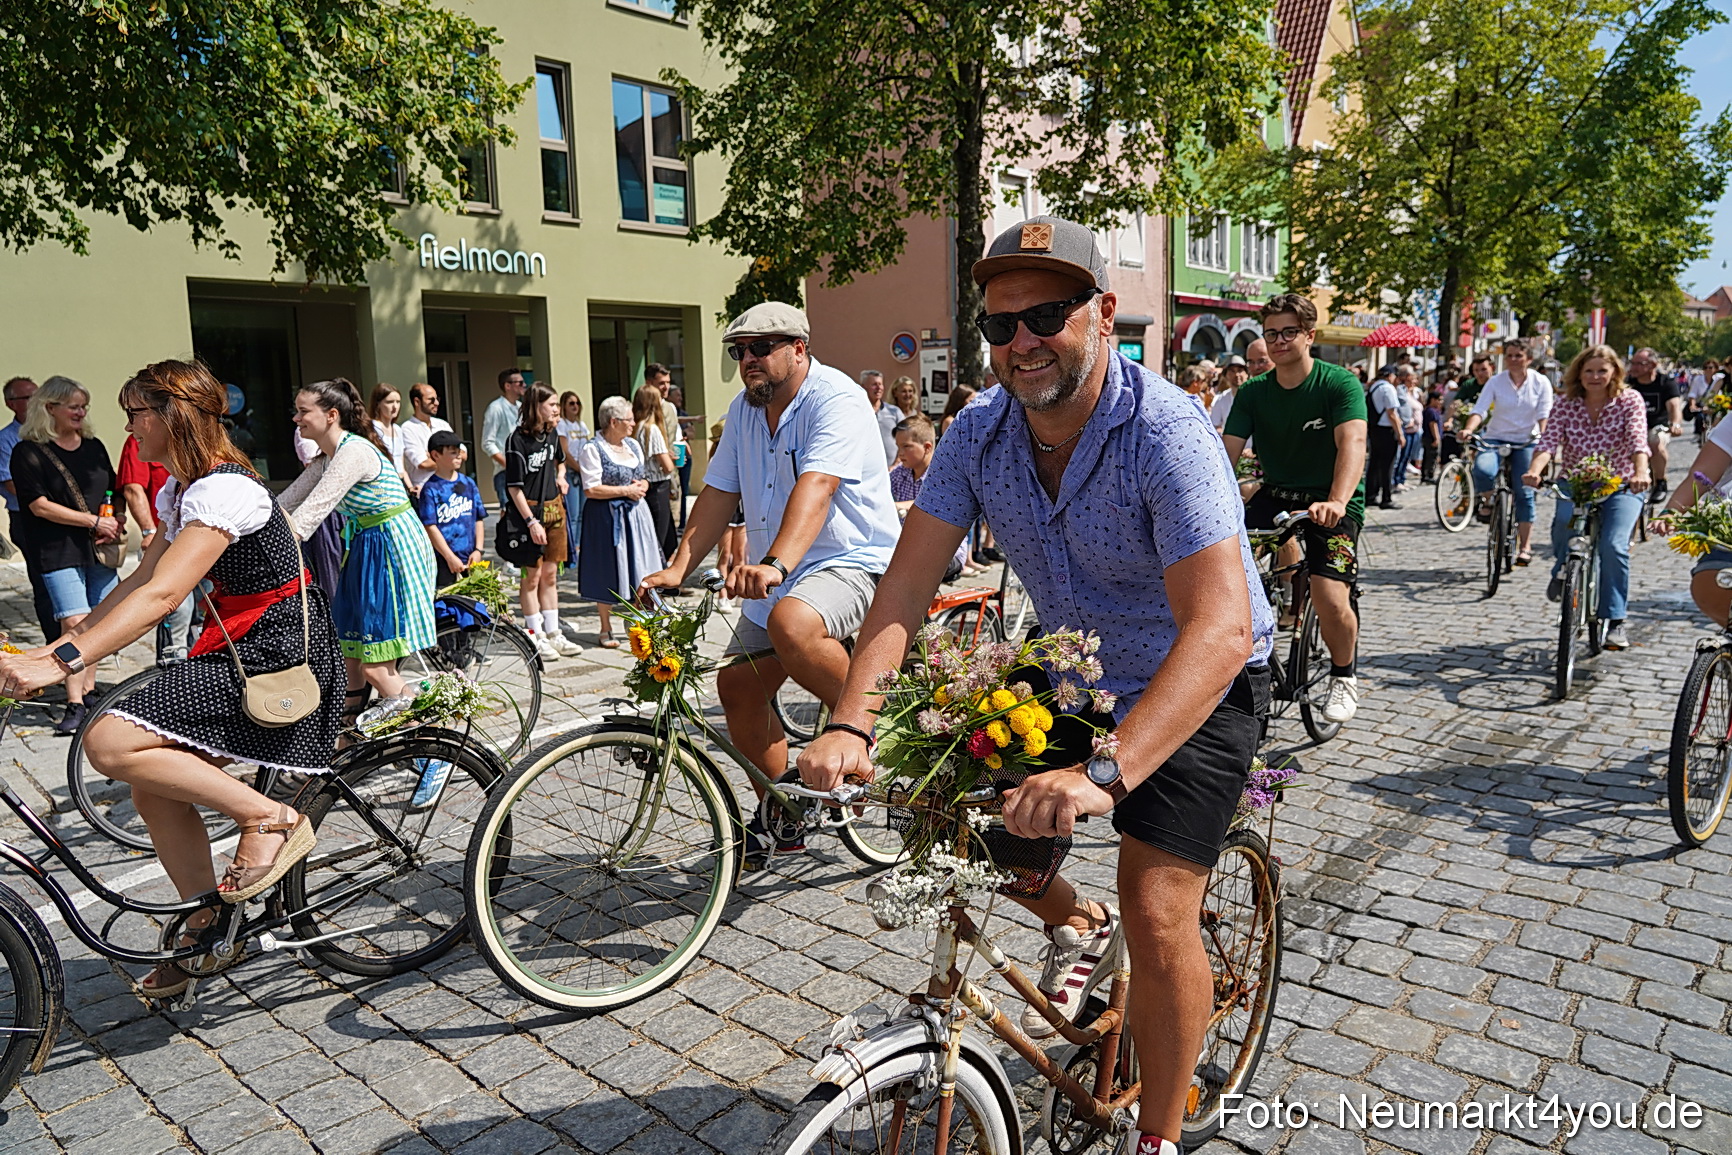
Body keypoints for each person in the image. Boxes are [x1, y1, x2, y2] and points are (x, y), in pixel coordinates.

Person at [799, 216, 1272, 1155]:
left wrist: (1103, 773)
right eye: (1000, 324)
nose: (1022, 342)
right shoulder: (978, 433)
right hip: (1071, 670)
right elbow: (905, 586)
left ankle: (1159, 1136)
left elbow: (1217, 632)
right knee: (943, 804)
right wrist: (851, 721)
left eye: (1046, 316)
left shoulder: (1164, 431)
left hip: (1194, 679)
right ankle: (1077, 924)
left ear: (1102, 312)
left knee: (1158, 908)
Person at [0, 360, 344, 999]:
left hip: (274, 651)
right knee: (151, 787)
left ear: (171, 416)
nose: (128, 428)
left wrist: (60, 665)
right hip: (237, 642)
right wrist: (55, 648)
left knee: (109, 740)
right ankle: (208, 927)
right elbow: (138, 579)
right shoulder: (184, 490)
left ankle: (270, 818)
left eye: (135, 414)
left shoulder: (226, 490)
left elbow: (162, 596)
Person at [641, 301, 900, 856]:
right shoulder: (743, 410)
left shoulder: (836, 398)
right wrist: (678, 567)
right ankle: (783, 814)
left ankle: (879, 726)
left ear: (799, 349)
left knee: (792, 623)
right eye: (739, 352)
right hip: (777, 573)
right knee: (738, 688)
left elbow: (819, 485)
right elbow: (718, 492)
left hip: (850, 559)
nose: (748, 360)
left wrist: (775, 564)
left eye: (761, 348)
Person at [1224, 293, 1367, 724]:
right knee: (1220, 568)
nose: (1279, 341)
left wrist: (1338, 500)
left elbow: (1353, 442)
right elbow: (1226, 453)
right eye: (1271, 334)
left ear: (1309, 335)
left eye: (1289, 332)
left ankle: (1344, 675)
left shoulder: (1338, 384)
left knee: (1328, 594)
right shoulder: (1253, 392)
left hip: (1331, 501)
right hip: (1277, 494)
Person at [280, 379, 437, 726]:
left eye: (303, 411)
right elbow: (284, 504)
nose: (296, 418)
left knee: (376, 668)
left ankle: (430, 738)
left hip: (391, 546)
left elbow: (309, 514)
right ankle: (347, 739)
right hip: (366, 545)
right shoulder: (327, 458)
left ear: (331, 415)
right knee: (349, 655)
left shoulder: (353, 453)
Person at [11, 377, 122, 734]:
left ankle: (88, 692)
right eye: (73, 406)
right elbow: (38, 505)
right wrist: (93, 521)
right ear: (50, 408)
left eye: (84, 406)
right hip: (57, 549)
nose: (81, 412)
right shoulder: (28, 451)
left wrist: (114, 519)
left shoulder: (94, 446)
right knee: (74, 624)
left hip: (99, 549)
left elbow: (113, 488)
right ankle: (73, 702)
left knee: (99, 623)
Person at [1520, 345, 1649, 650]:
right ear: (1578, 373)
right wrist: (1534, 471)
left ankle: (1615, 620)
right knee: (1563, 522)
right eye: (1589, 370)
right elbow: (1548, 442)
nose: (1595, 376)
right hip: (1576, 482)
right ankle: (1563, 569)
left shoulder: (1629, 400)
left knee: (1613, 545)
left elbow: (1637, 440)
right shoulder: (1566, 403)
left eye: (1602, 370)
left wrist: (1641, 472)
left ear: (1614, 372)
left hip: (1620, 484)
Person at [1458, 339, 1553, 565]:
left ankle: (1525, 546)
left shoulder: (1540, 382)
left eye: (1518, 355)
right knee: (1482, 470)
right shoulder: (1496, 382)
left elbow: (1544, 414)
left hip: (1525, 440)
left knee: (1524, 492)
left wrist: (1544, 438)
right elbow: (1480, 409)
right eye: (1509, 355)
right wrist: (1469, 429)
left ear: (1529, 359)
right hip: (1495, 436)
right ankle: (1489, 501)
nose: (1513, 360)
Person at [500, 384, 578, 659]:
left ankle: (554, 632)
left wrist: (561, 476)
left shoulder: (552, 433)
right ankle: (534, 634)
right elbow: (514, 488)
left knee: (550, 575)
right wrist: (531, 521)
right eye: (552, 404)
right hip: (529, 513)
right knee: (531, 577)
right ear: (536, 406)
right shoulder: (517, 440)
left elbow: (560, 461)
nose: (557, 409)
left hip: (554, 510)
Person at [579, 396, 661, 648]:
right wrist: (626, 491)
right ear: (613, 422)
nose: (633, 423)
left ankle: (640, 624)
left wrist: (643, 485)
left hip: (636, 515)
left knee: (642, 566)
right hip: (606, 517)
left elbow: (643, 477)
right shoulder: (592, 449)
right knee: (606, 568)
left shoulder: (633, 445)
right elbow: (591, 489)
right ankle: (605, 627)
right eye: (629, 419)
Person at [119, 431, 197, 665]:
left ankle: (199, 667)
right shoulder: (140, 438)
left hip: (203, 539)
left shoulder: (196, 437)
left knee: (202, 614)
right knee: (176, 609)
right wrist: (148, 531)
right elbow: (133, 488)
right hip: (167, 542)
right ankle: (172, 670)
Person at [887, 415, 975, 579]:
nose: (900, 453)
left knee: (911, 565)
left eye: (906, 446)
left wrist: (903, 506)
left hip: (946, 553)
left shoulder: (944, 473)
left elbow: (938, 502)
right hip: (911, 550)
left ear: (927, 447)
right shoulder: (900, 473)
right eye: (898, 447)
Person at [0, 377, 54, 640]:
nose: (37, 402)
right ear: (11, 404)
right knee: (44, 583)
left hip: (61, 516)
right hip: (27, 518)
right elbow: (11, 484)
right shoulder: (6, 440)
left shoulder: (52, 432)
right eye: (29, 397)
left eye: (39, 395)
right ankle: (55, 640)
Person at [417, 431, 486, 587]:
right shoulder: (430, 489)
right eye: (453, 452)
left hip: (470, 558)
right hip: (444, 561)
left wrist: (478, 550)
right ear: (436, 455)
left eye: (459, 451)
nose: (459, 456)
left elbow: (479, 518)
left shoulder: (468, 483)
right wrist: (449, 557)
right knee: (447, 598)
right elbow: (430, 526)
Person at [1629, 347, 1683, 501]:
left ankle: (1660, 482)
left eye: (1639, 364)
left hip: (1656, 426)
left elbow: (1674, 406)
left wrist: (1675, 424)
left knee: (1655, 442)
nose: (1633, 367)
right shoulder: (1628, 383)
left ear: (1652, 365)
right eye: (1632, 363)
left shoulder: (1666, 383)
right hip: (1631, 428)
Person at [633, 384, 679, 560]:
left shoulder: (636, 427)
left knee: (664, 538)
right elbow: (667, 466)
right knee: (661, 540)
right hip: (658, 486)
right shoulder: (651, 429)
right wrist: (672, 460)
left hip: (645, 484)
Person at [481, 367, 526, 515]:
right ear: (508, 386)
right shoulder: (496, 408)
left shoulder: (521, 408)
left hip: (524, 470)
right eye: (520, 383)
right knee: (508, 513)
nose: (524, 385)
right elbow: (487, 442)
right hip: (505, 472)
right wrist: (508, 464)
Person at [400, 383, 454, 496]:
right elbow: (423, 463)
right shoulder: (407, 428)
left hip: (449, 488)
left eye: (437, 399)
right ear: (417, 402)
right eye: (431, 400)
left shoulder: (443, 425)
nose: (436, 403)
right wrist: (448, 459)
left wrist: (433, 458)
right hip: (424, 491)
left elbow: (462, 454)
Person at [556, 391, 591, 568]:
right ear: (564, 406)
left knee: (584, 513)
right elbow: (564, 452)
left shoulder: (581, 425)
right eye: (571, 403)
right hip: (571, 472)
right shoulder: (562, 425)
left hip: (583, 472)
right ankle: (570, 550)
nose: (575, 406)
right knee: (573, 514)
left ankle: (579, 546)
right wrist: (579, 468)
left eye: (577, 403)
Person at [1364, 367, 1404, 509]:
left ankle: (1371, 495)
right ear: (1390, 375)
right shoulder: (1388, 388)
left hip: (1375, 429)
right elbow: (1391, 413)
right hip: (1386, 430)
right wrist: (1399, 433)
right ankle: (1386, 498)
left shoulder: (1373, 387)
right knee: (1387, 465)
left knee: (1374, 463)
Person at [368, 384, 413, 493]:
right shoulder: (373, 427)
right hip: (383, 484)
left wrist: (410, 487)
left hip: (400, 483)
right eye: (389, 402)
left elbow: (401, 464)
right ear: (378, 404)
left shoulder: (397, 429)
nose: (395, 406)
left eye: (398, 402)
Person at [860, 369, 903, 463]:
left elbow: (906, 438)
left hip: (893, 468)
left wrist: (896, 465)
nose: (879, 388)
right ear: (863, 387)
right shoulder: (857, 413)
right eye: (874, 384)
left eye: (880, 384)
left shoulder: (894, 412)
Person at [1210, 355, 1248, 433]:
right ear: (1226, 375)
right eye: (1232, 371)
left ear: (1247, 374)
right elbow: (1215, 425)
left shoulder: (1255, 397)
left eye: (1240, 370)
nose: (1236, 375)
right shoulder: (1220, 399)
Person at [1420, 389, 1444, 483]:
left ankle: (1426, 475)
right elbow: (1432, 424)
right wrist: (1436, 438)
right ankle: (1428, 475)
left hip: (1430, 437)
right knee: (1431, 457)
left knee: (1429, 456)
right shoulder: (1431, 411)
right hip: (1430, 438)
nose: (1440, 402)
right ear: (1433, 399)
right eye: (1439, 399)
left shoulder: (1434, 410)